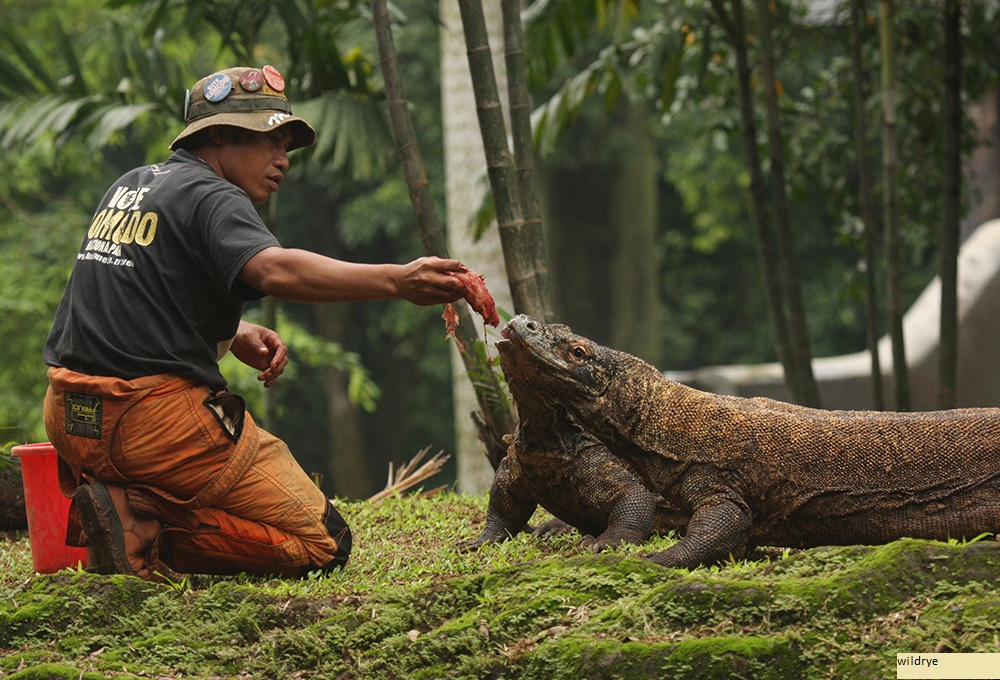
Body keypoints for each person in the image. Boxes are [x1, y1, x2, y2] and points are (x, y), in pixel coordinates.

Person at [42, 65, 468, 580]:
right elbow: (272, 268)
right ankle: (142, 524)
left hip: (69, 416)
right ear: (218, 136)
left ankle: (120, 508)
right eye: (269, 140)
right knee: (323, 543)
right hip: (152, 425)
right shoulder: (215, 195)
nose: (283, 159)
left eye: (286, 144)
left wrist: (233, 331)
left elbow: (132, 286)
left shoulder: (133, 185)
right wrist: (397, 281)